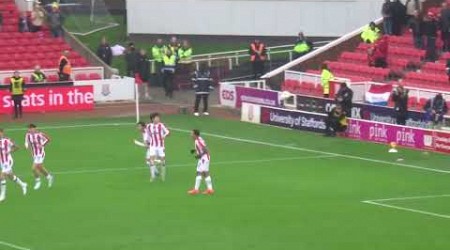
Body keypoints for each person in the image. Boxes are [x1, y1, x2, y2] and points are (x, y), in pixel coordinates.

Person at [0, 128, 28, 202]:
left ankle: (2, 195)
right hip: (2, 162)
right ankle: (23, 184)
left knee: (1, 177)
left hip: (8, 161)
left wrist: (9, 151)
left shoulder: (8, 140)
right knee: (11, 176)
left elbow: (17, 147)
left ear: (2, 133)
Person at [25, 124, 54, 190]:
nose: (29, 130)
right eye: (29, 129)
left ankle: (38, 181)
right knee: (40, 167)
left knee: (33, 168)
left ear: (35, 128)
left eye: (31, 128)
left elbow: (48, 139)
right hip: (34, 154)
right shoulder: (28, 135)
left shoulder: (40, 134)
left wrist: (42, 145)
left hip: (40, 153)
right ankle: (49, 177)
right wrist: (26, 145)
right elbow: (27, 142)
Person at [188, 129, 214, 195]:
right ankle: (210, 189)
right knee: (204, 173)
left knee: (200, 172)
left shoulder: (198, 141)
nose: (191, 135)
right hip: (204, 158)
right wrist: (194, 150)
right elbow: (201, 148)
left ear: (195, 135)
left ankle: (196, 190)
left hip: (204, 158)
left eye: (192, 134)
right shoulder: (198, 139)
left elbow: (206, 149)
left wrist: (199, 155)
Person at [145, 113, 170, 182]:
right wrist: (147, 142)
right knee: (151, 160)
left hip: (161, 146)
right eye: (157, 118)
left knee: (163, 161)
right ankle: (152, 176)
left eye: (158, 118)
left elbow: (168, 132)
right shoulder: (149, 126)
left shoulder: (161, 125)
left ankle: (163, 175)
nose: (158, 119)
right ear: (152, 119)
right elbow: (147, 135)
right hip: (152, 146)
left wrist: (164, 136)